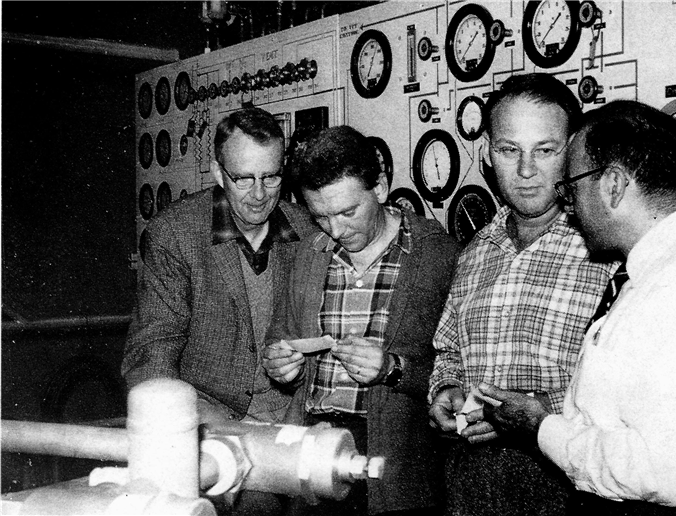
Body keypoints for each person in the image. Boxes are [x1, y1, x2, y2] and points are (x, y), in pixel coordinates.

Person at [478, 99, 676, 515]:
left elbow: (663, 472)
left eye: (573, 188)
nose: (570, 208)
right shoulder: (660, 269)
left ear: (613, 185)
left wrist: (541, 428)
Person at [427, 73, 618, 515]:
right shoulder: (475, 251)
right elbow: (449, 350)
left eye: (545, 150)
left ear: (574, 151)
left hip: (567, 483)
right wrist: (447, 389)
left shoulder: (607, 252)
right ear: (487, 153)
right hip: (470, 483)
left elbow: (630, 388)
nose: (526, 170)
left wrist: (537, 414)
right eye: (509, 150)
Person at [122, 107, 317, 514]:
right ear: (217, 172)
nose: (259, 194)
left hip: (296, 420)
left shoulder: (308, 231)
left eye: (271, 177)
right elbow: (151, 359)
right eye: (243, 178)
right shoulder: (173, 235)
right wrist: (219, 431)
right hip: (210, 422)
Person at [263, 125, 460, 516]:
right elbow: (280, 337)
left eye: (347, 212)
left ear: (380, 187)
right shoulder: (309, 255)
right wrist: (280, 365)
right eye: (320, 216)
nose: (336, 230)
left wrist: (393, 369)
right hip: (315, 450)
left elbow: (460, 372)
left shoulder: (438, 257)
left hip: (394, 465)